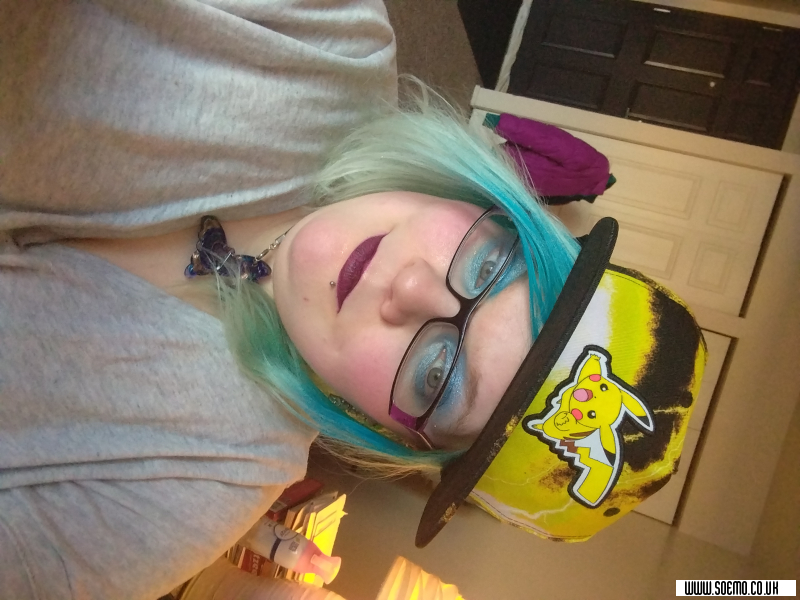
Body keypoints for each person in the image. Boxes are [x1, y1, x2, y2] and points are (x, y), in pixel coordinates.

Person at [0, 1, 580, 599]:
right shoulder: (326, 34)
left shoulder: (211, 480)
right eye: (490, 263)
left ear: (387, 429)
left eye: (437, 377)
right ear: (492, 203)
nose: (412, 289)